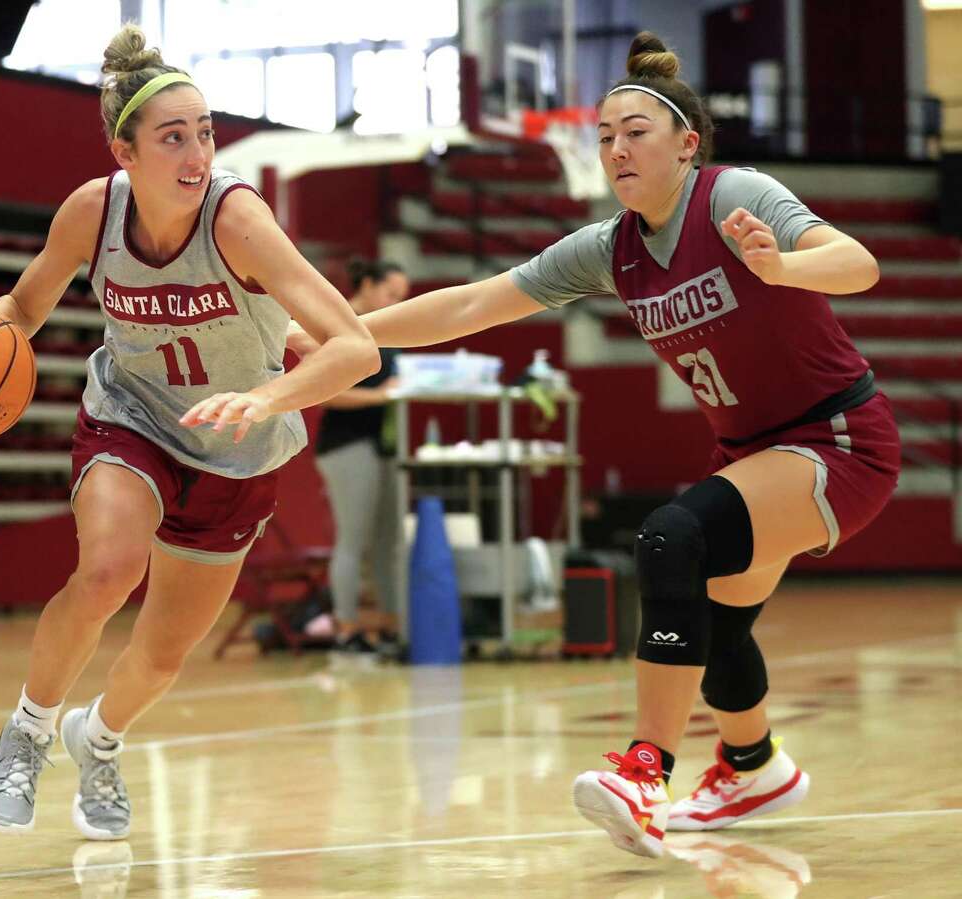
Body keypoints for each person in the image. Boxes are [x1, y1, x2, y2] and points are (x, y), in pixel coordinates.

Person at [289, 32, 899, 858]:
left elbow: (856, 264)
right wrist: (341, 333)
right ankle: (754, 763)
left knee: (670, 537)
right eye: (605, 135)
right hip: (757, 454)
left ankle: (645, 774)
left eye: (635, 131)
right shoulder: (610, 248)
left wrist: (786, 269)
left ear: (687, 142)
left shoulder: (730, 197)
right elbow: (470, 306)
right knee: (715, 626)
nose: (615, 147)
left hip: (838, 441)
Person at [0, 24, 378, 840]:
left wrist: (267, 399)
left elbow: (354, 346)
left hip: (237, 448)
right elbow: (21, 308)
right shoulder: (92, 213)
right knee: (109, 570)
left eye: (206, 134)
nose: (197, 154)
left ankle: (101, 738)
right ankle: (28, 731)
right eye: (173, 137)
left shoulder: (239, 220)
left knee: (161, 653)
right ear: (125, 152)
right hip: (132, 418)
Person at [314, 259, 409, 662]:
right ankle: (346, 627)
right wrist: (381, 395)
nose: (396, 302)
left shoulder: (385, 328)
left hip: (382, 445)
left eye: (401, 298)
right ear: (367, 285)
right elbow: (325, 391)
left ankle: (390, 625)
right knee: (353, 540)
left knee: (389, 541)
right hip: (345, 444)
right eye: (390, 294)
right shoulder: (339, 323)